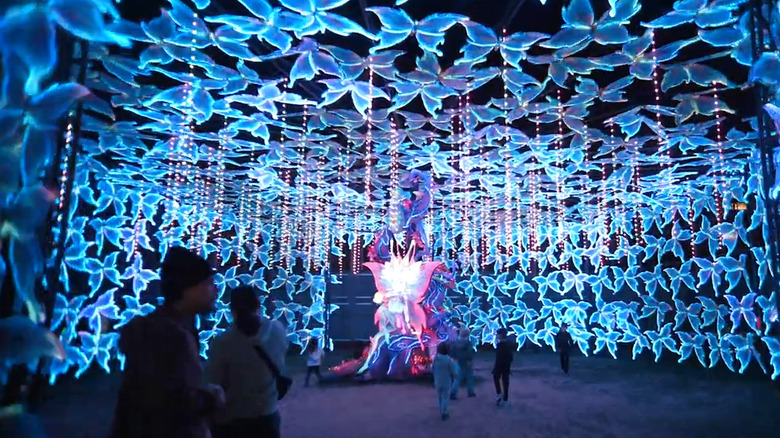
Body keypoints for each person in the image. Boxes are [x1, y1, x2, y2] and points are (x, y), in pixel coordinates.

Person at [110, 246, 224, 438]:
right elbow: (169, 404)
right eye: (208, 282)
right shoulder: (167, 337)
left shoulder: (174, 328)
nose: (216, 289)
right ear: (188, 288)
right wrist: (211, 399)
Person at [204, 285, 288, 438]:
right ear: (258, 305)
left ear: (232, 310)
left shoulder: (224, 342)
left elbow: (213, 381)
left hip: (232, 419)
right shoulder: (277, 330)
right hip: (267, 414)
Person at [432, 342, 458, 420]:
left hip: (437, 381)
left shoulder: (435, 359)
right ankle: (445, 412)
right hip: (446, 382)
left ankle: (441, 409)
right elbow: (453, 371)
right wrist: (455, 376)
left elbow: (432, 368)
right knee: (445, 397)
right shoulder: (449, 361)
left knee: (439, 397)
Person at [449, 328, 475, 399]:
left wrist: (455, 358)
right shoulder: (468, 343)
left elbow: (452, 352)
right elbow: (469, 353)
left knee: (458, 377)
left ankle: (453, 392)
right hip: (467, 361)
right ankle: (470, 392)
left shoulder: (455, 343)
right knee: (469, 377)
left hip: (458, 361)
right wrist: (469, 360)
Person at [492, 327, 513, 407]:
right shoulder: (509, 344)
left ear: (501, 335)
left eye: (498, 334)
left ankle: (499, 394)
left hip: (500, 366)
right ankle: (505, 398)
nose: (497, 336)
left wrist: (496, 367)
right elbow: (511, 357)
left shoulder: (500, 345)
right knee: (505, 382)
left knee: (497, 379)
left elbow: (498, 358)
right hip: (506, 366)